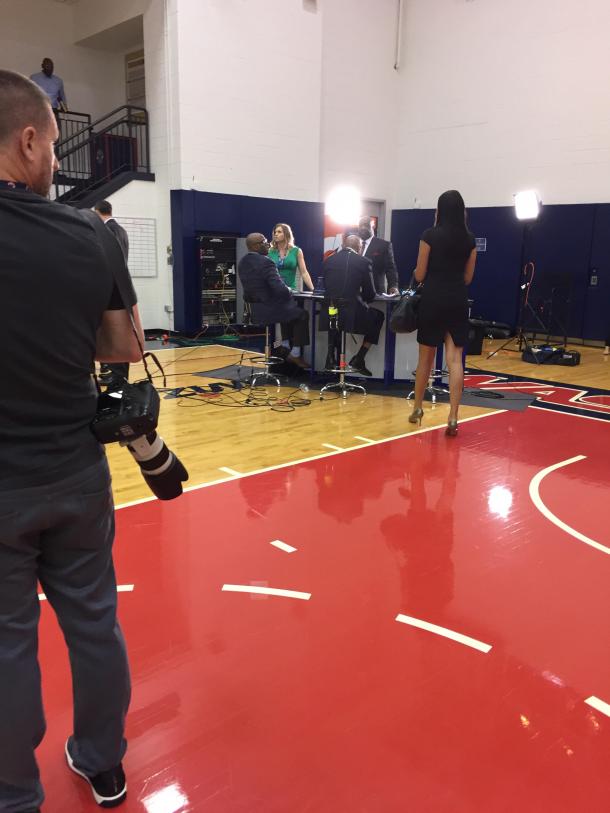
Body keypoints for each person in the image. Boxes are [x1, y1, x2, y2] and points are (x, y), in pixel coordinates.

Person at [0, 69, 143, 812]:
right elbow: (124, 346)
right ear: (28, 140)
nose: (58, 163)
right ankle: (103, 761)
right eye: (55, 147)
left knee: (6, 644)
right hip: (76, 472)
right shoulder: (90, 234)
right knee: (94, 621)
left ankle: (14, 793)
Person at [408, 190, 476, 436]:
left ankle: (417, 408)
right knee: (455, 360)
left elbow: (420, 275)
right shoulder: (470, 240)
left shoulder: (429, 236)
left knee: (425, 357)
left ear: (439, 210)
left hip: (433, 300)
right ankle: (454, 416)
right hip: (457, 300)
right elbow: (468, 277)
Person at [238, 232, 310, 369]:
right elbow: (280, 289)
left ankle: (284, 346)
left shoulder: (242, 262)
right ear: (255, 245)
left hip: (254, 311)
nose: (269, 244)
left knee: (288, 311)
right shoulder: (266, 262)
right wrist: (289, 289)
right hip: (270, 311)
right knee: (302, 314)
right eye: (265, 242)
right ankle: (293, 353)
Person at [322, 233, 385, 376]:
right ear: (360, 247)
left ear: (343, 245)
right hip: (353, 316)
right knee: (378, 316)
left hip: (330, 314)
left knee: (335, 319)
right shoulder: (364, 262)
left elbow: (327, 287)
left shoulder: (328, 261)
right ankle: (359, 358)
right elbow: (370, 294)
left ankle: (330, 356)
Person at [95, 200, 131, 388]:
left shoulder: (107, 231)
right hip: (120, 288)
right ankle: (114, 376)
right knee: (116, 334)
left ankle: (116, 379)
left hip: (111, 289)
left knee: (111, 334)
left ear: (97, 212)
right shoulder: (122, 230)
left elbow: (108, 261)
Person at [358, 215, 400, 295]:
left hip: (375, 293)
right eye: (360, 225)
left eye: (366, 225)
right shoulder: (352, 244)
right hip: (354, 294)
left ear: (373, 226)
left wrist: (393, 286)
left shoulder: (384, 245)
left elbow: (390, 268)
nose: (363, 228)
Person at [268, 223, 314, 292]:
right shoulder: (269, 251)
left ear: (286, 234)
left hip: (290, 291)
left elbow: (304, 273)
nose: (276, 234)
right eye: (275, 232)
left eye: (279, 232)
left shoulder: (296, 251)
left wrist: (313, 290)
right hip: (272, 291)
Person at [29, 58, 67, 122]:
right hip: (39, 110)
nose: (50, 69)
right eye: (47, 66)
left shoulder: (58, 81)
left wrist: (64, 107)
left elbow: (61, 96)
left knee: (55, 131)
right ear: (42, 66)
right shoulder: (34, 78)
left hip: (53, 111)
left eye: (52, 67)